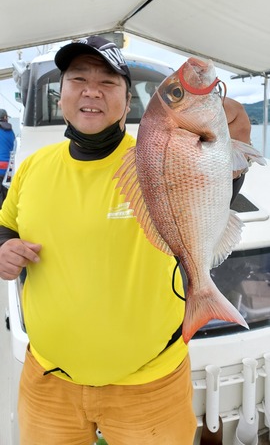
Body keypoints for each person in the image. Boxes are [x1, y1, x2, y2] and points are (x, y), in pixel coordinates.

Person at [0, 36, 251, 445]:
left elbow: (207, 196)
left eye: (108, 82)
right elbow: (6, 224)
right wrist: (3, 247)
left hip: (150, 389)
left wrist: (229, 149)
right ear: (60, 93)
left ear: (128, 100)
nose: (91, 90)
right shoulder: (33, 167)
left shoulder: (155, 160)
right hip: (47, 381)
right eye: (78, 78)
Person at [0, 109, 15, 207]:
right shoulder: (11, 132)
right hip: (8, 168)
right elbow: (13, 148)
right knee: (6, 193)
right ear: (5, 118)